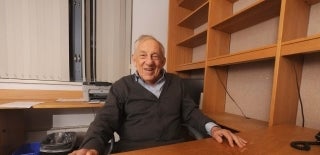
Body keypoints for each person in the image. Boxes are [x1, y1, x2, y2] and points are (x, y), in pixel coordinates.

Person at [70, 35, 247, 155]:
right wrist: (90, 146)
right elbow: (104, 121)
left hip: (176, 149)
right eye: (143, 55)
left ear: (163, 61)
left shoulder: (176, 83)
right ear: (134, 59)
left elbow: (192, 113)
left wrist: (214, 128)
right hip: (135, 151)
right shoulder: (121, 87)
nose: (149, 62)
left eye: (155, 56)